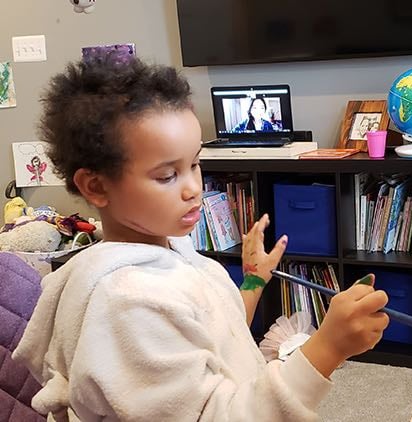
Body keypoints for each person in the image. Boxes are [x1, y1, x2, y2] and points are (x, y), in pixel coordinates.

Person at [12, 57, 389, 421]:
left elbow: (215, 333)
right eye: (167, 176)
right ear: (96, 186)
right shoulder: (129, 303)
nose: (195, 188)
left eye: (194, 163)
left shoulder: (170, 246)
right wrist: (327, 347)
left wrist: (254, 279)